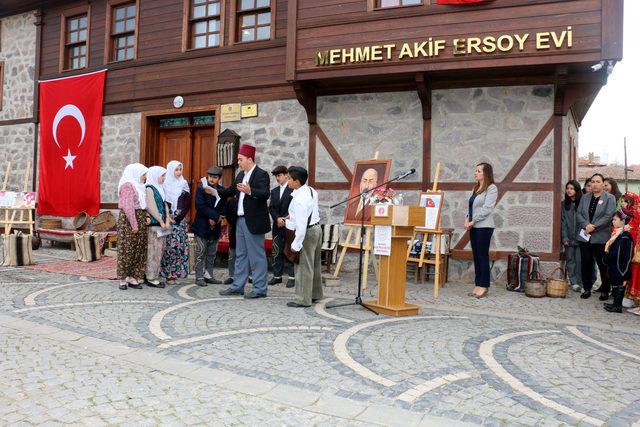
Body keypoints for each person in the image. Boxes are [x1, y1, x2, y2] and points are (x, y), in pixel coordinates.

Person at [219, 143, 271, 299]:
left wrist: (250, 191)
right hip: (240, 220)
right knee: (240, 254)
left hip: (253, 221)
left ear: (250, 159)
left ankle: (260, 288)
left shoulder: (261, 174)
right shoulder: (241, 175)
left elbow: (265, 194)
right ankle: (237, 286)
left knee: (257, 256)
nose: (239, 163)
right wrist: (214, 188)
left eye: (241, 160)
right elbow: (230, 191)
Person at [285, 166, 323, 308]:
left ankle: (303, 299)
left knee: (303, 266)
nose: (287, 181)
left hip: (307, 232)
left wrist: (296, 244)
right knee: (315, 264)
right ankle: (315, 294)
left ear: (297, 181)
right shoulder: (311, 190)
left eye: (289, 178)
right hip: (317, 228)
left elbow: (301, 226)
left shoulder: (299, 199)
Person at [576, 173, 616, 300]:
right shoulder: (585, 197)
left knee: (602, 264)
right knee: (586, 263)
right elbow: (579, 214)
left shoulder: (610, 198)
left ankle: (605, 289)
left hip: (601, 237)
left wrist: (593, 227)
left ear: (603, 184)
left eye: (598, 181)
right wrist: (586, 225)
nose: (595, 184)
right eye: (593, 182)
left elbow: (608, 216)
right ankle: (587, 288)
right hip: (585, 236)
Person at [464, 162, 498, 299]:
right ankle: (478, 284)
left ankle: (484, 286)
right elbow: (471, 207)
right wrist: (467, 219)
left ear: (485, 173)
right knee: (476, 256)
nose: (475, 173)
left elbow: (487, 208)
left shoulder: (492, 188)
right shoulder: (476, 188)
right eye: (476, 170)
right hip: (474, 226)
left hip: (484, 227)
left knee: (483, 256)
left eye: (478, 171)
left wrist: (473, 220)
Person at [190, 166, 226, 287]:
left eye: (214, 177)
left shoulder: (222, 190)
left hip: (215, 227)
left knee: (211, 253)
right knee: (200, 252)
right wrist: (213, 217)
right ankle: (199, 276)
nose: (211, 179)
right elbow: (200, 206)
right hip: (202, 225)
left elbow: (223, 206)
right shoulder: (201, 189)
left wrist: (218, 218)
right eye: (210, 177)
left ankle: (208, 275)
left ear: (219, 178)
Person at [116, 163, 149, 291]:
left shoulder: (140, 186)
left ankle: (133, 276)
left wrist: (146, 216)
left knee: (138, 248)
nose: (145, 177)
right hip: (129, 220)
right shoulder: (127, 186)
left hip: (139, 217)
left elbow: (143, 203)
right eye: (143, 174)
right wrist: (134, 224)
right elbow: (128, 206)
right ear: (136, 173)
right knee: (127, 248)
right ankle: (123, 278)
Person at [160, 161, 191, 285]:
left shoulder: (183, 184)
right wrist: (168, 215)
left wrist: (179, 218)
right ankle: (167, 273)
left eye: (180, 169)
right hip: (168, 218)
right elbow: (164, 203)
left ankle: (176, 273)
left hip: (179, 220)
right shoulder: (165, 184)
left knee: (178, 247)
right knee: (168, 247)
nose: (179, 172)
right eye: (176, 169)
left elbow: (187, 203)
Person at [602, 210, 634, 313]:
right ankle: (615, 304)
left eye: (615, 219)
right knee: (615, 284)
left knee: (619, 285)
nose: (613, 221)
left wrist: (606, 258)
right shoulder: (619, 233)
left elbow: (618, 252)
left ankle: (617, 306)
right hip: (615, 265)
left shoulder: (625, 236)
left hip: (620, 267)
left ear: (623, 221)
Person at [145, 166, 172, 288]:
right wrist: (161, 221)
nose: (164, 178)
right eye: (162, 175)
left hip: (162, 225)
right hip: (154, 225)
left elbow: (165, 205)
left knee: (160, 251)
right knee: (153, 252)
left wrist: (167, 220)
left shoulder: (160, 188)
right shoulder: (149, 188)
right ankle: (150, 277)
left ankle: (155, 274)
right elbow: (151, 207)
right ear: (155, 175)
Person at [268, 165, 294, 288]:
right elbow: (271, 208)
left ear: (286, 175)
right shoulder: (274, 191)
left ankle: (292, 277)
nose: (277, 178)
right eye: (276, 176)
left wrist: (284, 219)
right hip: (277, 226)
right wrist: (277, 218)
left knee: (289, 251)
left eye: (279, 175)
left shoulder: (292, 190)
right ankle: (277, 276)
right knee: (277, 251)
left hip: (289, 226)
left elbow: (294, 208)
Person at [561, 180, 583, 292]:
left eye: (572, 188)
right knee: (570, 260)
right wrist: (564, 238)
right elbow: (563, 222)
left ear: (577, 190)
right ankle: (573, 282)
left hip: (581, 237)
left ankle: (580, 282)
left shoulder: (583, 202)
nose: (569, 190)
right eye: (567, 188)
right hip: (568, 237)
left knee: (579, 260)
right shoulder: (564, 204)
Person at [621, 193, 640, 312]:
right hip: (632, 252)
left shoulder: (636, 216)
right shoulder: (632, 217)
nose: (623, 204)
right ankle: (631, 298)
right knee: (632, 273)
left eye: (626, 201)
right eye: (622, 201)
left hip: (636, 252)